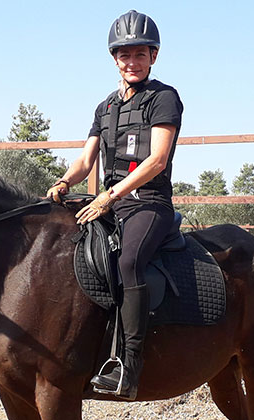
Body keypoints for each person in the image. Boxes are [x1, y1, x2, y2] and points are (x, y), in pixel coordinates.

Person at [46, 9, 183, 400]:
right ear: (114, 59)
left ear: (153, 56)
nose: (132, 62)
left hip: (148, 204)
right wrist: (64, 181)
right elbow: (85, 160)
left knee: (128, 262)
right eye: (125, 55)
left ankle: (129, 364)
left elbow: (157, 160)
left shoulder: (164, 98)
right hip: (110, 202)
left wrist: (110, 195)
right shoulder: (105, 107)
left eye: (140, 54)